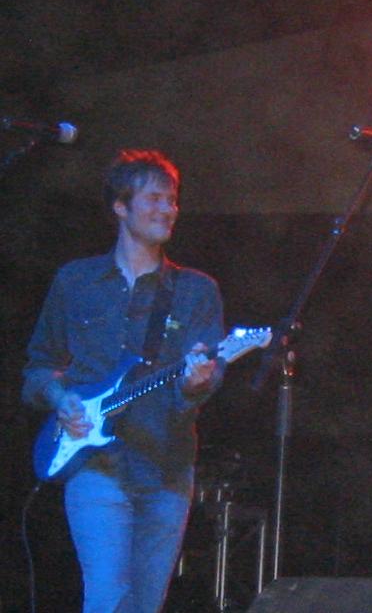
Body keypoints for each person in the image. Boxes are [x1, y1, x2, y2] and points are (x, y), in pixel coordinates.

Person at [23, 149, 224, 613]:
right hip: (96, 466)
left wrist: (196, 381)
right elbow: (38, 367)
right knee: (108, 600)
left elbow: (203, 383)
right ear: (120, 206)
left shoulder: (195, 290)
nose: (167, 209)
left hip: (167, 468)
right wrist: (62, 397)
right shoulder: (75, 281)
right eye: (154, 199)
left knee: (145, 605)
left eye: (172, 200)